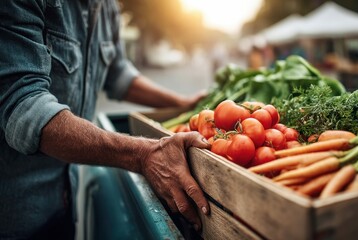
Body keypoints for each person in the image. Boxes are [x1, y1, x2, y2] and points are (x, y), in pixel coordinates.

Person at [0, 1, 210, 239]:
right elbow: (23, 104)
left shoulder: (106, 6)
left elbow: (118, 73)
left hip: (64, 198)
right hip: (13, 215)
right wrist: (143, 154)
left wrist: (182, 103)